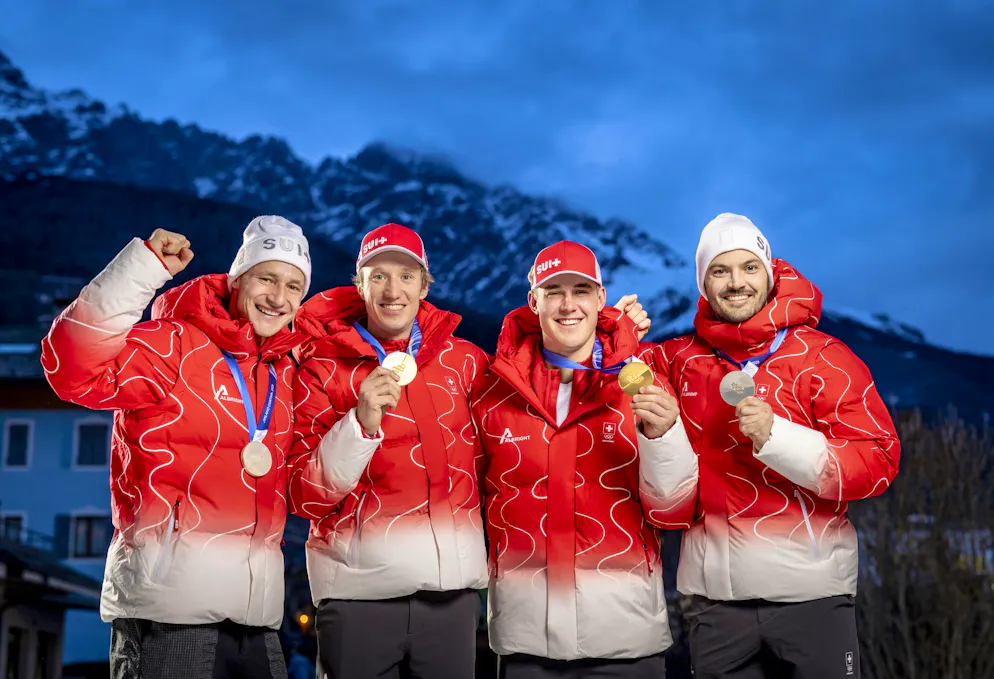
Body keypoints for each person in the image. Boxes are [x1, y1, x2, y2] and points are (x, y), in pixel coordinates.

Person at [40, 217, 313, 679]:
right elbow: (71, 368)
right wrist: (142, 268)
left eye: (293, 286)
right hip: (167, 610)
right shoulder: (174, 344)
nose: (278, 297)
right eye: (267, 278)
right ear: (236, 280)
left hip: (256, 618)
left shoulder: (282, 373)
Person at [644, 213, 901, 678]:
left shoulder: (823, 357)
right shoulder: (676, 360)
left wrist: (777, 437)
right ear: (703, 283)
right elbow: (604, 369)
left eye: (749, 267)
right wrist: (615, 325)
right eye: (719, 271)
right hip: (715, 603)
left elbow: (878, 459)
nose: (736, 282)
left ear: (769, 272)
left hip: (812, 598)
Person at [470, 240, 699, 678]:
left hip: (626, 638)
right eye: (553, 291)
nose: (568, 304)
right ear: (533, 302)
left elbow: (674, 510)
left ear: (600, 299)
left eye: (581, 290)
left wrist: (665, 437)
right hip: (525, 639)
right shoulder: (493, 392)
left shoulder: (644, 381)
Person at [287, 223, 491, 679]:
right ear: (359, 286)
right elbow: (304, 497)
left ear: (424, 285)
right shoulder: (320, 367)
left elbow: (535, 403)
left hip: (452, 598)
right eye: (378, 276)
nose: (392, 290)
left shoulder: (466, 362)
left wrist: (610, 335)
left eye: (406, 276)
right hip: (358, 598)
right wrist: (359, 424)